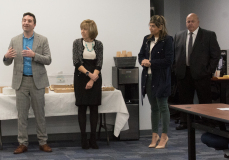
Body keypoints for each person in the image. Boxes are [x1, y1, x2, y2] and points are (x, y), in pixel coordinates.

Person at [3, 12, 52, 153]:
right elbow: (8, 62)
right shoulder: (15, 40)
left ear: (34, 24)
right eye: (24, 20)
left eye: (29, 21)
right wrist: (5, 57)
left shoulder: (42, 40)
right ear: (22, 23)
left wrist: (34, 55)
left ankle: (43, 142)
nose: (26, 22)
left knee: (39, 114)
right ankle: (22, 143)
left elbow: (48, 59)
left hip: (37, 82)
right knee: (22, 115)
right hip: (21, 81)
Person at [174, 13, 221, 130]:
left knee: (205, 99)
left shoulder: (208, 35)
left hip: (202, 74)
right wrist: (175, 68)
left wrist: (209, 70)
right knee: (185, 100)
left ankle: (208, 122)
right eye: (188, 21)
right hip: (184, 73)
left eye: (192, 21)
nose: (190, 24)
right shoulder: (179, 35)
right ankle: (185, 122)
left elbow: (216, 55)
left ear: (198, 22)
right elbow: (174, 55)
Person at [138, 15, 174, 149]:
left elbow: (169, 61)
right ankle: (154, 135)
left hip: (161, 78)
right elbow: (141, 54)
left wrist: (151, 62)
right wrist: (142, 61)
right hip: (148, 77)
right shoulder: (147, 39)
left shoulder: (168, 40)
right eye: (150, 25)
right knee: (154, 108)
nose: (150, 28)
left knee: (163, 106)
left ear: (160, 27)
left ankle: (164, 135)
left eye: (153, 26)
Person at [72, 19, 103, 149]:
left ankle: (93, 138)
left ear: (91, 30)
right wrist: (89, 75)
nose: (82, 31)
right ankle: (83, 138)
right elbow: (77, 62)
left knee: (94, 108)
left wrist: (92, 79)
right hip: (81, 76)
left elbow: (99, 63)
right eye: (81, 29)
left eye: (85, 29)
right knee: (82, 107)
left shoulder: (99, 44)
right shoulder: (77, 43)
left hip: (95, 78)